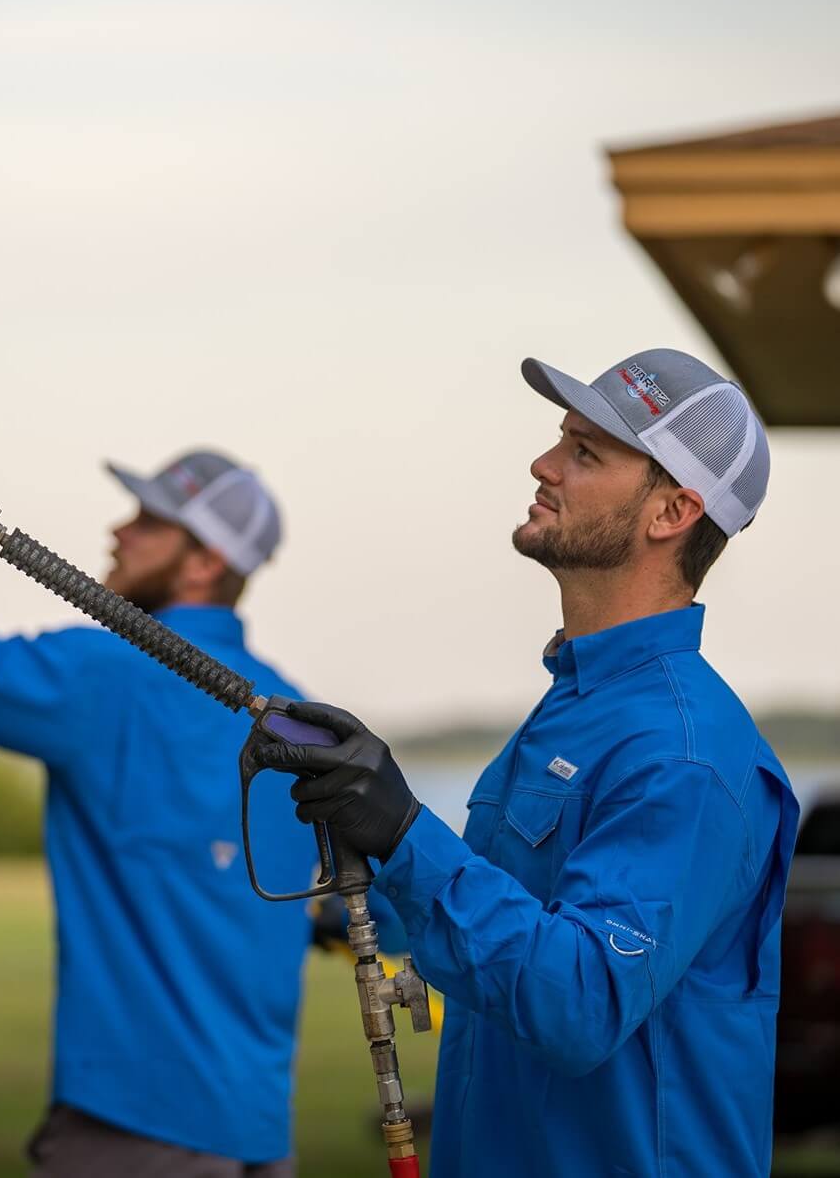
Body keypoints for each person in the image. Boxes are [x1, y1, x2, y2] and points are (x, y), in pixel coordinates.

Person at [258, 349, 799, 1178]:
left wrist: (404, 832)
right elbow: (516, 914)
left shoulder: (683, 754)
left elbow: (578, 1000)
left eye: (585, 452)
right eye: (561, 439)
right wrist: (366, 859)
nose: (544, 465)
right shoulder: (581, 702)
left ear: (671, 512)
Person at [0, 451, 320, 1177]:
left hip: (136, 1127)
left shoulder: (110, 672)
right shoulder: (297, 717)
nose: (119, 531)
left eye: (149, 521)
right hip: (261, 1137)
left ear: (204, 560)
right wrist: (321, 923)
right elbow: (371, 895)